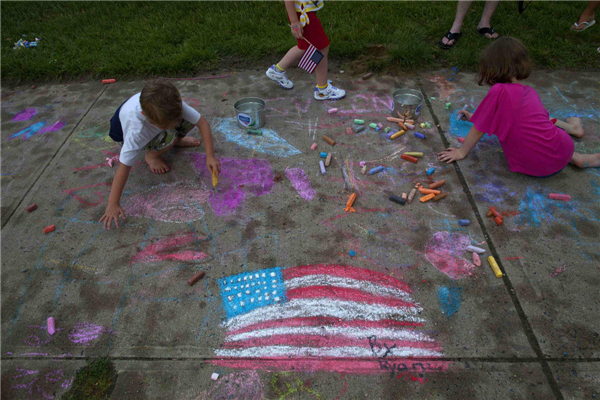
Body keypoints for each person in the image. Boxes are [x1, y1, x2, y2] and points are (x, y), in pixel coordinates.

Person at [437, 37, 600, 174]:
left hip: (529, 166)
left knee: (534, 129)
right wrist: (475, 117)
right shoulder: (529, 93)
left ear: (492, 68)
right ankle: (576, 150)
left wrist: (461, 151)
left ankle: (574, 139)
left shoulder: (499, 90)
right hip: (561, 152)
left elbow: (481, 128)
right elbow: (506, 120)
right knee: (539, 122)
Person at [100, 80, 221, 229]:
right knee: (170, 135)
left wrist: (211, 156)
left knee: (185, 122)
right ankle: (152, 155)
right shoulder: (136, 133)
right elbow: (123, 168)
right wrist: (113, 203)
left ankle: (175, 140)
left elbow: (202, 123)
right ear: (146, 116)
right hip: (122, 135)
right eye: (171, 123)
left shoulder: (170, 104)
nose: (177, 123)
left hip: (156, 122)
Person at [265, 0, 345, 100]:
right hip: (303, 15)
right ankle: (323, 90)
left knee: (305, 46)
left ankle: (277, 70)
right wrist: (294, 22)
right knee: (321, 48)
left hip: (304, 11)